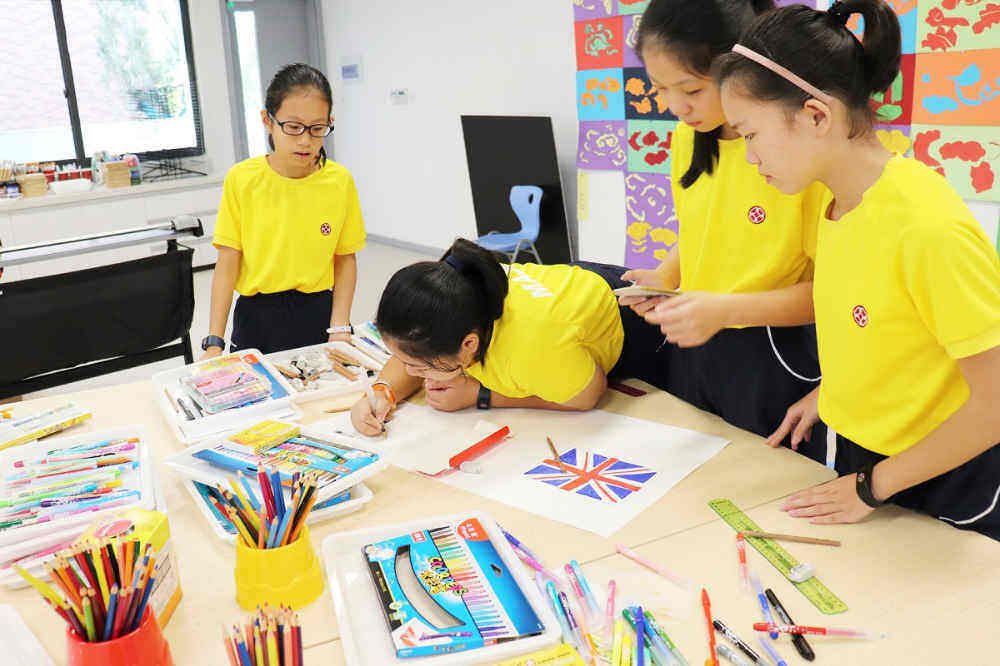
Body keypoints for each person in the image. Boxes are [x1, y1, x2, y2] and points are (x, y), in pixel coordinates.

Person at [715, 0, 1000, 538]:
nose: (749, 158)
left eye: (750, 134)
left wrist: (872, 486)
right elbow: (886, 326)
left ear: (816, 116)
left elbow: (996, 403)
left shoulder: (926, 227)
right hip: (871, 463)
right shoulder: (838, 202)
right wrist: (833, 395)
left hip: (944, 480)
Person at [614, 0, 831, 458]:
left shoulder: (795, 156)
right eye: (660, 88)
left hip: (774, 355)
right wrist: (667, 275)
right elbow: (702, 226)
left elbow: (830, 292)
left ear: (739, 69)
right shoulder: (688, 138)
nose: (675, 107)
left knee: (767, 485)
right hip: (698, 339)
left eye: (691, 90)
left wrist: (724, 310)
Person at [349, 239, 681, 436]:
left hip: (627, 320)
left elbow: (588, 395)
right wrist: (383, 391)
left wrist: (480, 396)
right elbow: (410, 351)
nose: (412, 372)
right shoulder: (460, 298)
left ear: (469, 345)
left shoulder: (532, 348)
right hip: (567, 291)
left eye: (418, 367)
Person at [201, 63, 365, 357]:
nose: (305, 140)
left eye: (317, 128)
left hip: (319, 315)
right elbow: (227, 263)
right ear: (267, 120)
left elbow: (345, 259)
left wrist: (340, 327)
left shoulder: (339, 181)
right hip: (256, 317)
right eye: (293, 127)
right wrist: (214, 341)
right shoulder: (242, 179)